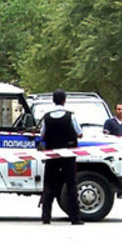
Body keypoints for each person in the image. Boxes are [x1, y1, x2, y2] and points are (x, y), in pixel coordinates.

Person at [40, 89, 84, 225]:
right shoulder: (71, 116)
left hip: (52, 154)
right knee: (71, 185)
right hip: (68, 155)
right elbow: (79, 133)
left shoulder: (46, 117)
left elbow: (42, 134)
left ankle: (46, 217)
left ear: (53, 100)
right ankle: (75, 218)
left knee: (49, 185)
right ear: (64, 100)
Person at [103, 104, 122, 199]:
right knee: (114, 170)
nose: (120, 111)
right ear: (115, 110)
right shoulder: (109, 122)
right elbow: (105, 136)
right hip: (114, 151)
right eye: (118, 109)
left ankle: (121, 191)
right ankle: (111, 190)